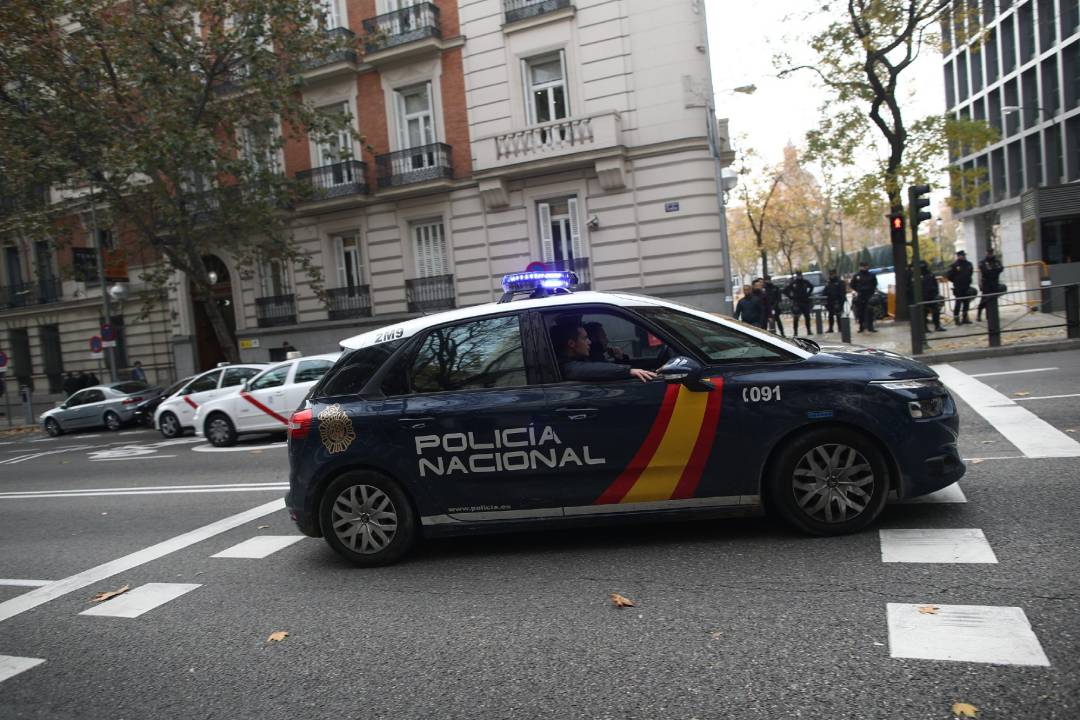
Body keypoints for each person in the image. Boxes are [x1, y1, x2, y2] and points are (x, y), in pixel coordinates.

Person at [551, 321, 656, 382]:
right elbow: (588, 369)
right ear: (571, 344)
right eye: (585, 338)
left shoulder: (580, 358)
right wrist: (629, 371)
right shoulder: (566, 366)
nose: (589, 342)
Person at [945, 250, 976, 325]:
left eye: (964, 255)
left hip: (966, 286)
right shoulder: (954, 265)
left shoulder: (968, 264)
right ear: (958, 256)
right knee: (958, 303)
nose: (963, 256)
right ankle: (956, 318)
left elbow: (970, 273)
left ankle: (965, 318)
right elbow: (949, 275)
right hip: (958, 287)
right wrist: (956, 280)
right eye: (962, 255)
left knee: (966, 302)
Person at [976, 249, 1004, 322]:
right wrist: (993, 270)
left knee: (993, 300)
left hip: (994, 283)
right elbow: (985, 271)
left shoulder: (996, 261)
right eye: (989, 253)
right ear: (986, 253)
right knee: (984, 300)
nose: (990, 255)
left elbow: (1000, 269)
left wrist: (992, 270)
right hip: (986, 284)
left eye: (991, 253)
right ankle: (979, 315)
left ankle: (991, 315)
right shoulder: (983, 262)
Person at [783, 271, 814, 336]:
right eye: (798, 275)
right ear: (796, 276)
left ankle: (809, 330)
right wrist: (791, 297)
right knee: (796, 318)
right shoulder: (793, 283)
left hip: (805, 302)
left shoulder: (805, 282)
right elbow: (785, 290)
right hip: (797, 303)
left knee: (807, 317)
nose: (799, 276)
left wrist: (808, 294)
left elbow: (811, 287)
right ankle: (795, 332)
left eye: (800, 275)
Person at [851, 262, 878, 333]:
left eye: (865, 266)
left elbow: (875, 284)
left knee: (870, 311)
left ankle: (870, 327)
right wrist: (858, 290)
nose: (864, 268)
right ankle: (861, 327)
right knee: (860, 312)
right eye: (862, 266)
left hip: (869, 295)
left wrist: (871, 291)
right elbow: (852, 284)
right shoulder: (857, 276)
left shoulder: (871, 275)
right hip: (861, 295)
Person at [919, 261, 947, 332]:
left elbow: (935, 284)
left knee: (936, 311)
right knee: (924, 313)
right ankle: (924, 328)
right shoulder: (918, 275)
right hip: (923, 296)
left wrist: (936, 293)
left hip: (932, 296)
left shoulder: (930, 274)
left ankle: (937, 326)